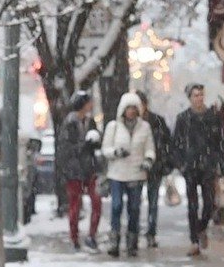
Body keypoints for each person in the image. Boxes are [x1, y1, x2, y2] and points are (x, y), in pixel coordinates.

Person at [101, 91, 155, 257]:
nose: (131, 111)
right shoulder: (113, 127)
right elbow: (106, 148)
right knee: (116, 206)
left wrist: (148, 160)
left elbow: (150, 148)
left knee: (134, 208)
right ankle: (114, 240)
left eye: (134, 108)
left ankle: (132, 242)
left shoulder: (144, 127)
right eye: (128, 108)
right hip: (117, 174)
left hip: (136, 174)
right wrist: (116, 152)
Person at [172, 83, 222, 257]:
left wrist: (216, 161)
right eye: (195, 95)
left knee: (209, 203)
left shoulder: (213, 116)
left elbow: (219, 142)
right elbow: (176, 144)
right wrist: (181, 164)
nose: (199, 98)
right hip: (191, 167)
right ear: (190, 98)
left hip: (207, 166)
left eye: (201, 95)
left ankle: (202, 228)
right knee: (192, 205)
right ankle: (194, 240)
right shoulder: (183, 118)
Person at [58, 90, 102, 252]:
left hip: (90, 168)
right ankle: (74, 237)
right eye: (89, 102)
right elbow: (67, 149)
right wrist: (85, 145)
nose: (91, 105)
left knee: (96, 202)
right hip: (74, 170)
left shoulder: (90, 122)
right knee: (75, 205)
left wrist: (95, 143)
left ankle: (92, 235)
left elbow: (96, 143)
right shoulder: (69, 123)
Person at [136, 91, 173, 248]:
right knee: (134, 202)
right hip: (136, 167)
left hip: (154, 166)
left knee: (152, 201)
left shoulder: (157, 121)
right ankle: (135, 231)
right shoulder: (130, 122)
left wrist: (165, 163)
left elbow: (166, 143)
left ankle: (151, 232)